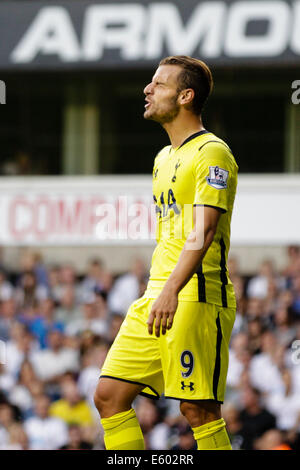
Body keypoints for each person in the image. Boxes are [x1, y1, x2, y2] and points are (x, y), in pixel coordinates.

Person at [94, 55, 238, 450]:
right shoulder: (163, 159)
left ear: (186, 96)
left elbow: (204, 230)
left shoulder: (212, 153)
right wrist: (161, 290)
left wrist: (172, 289)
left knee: (198, 411)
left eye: (158, 84)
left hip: (196, 294)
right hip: (158, 293)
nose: (147, 89)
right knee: (109, 396)